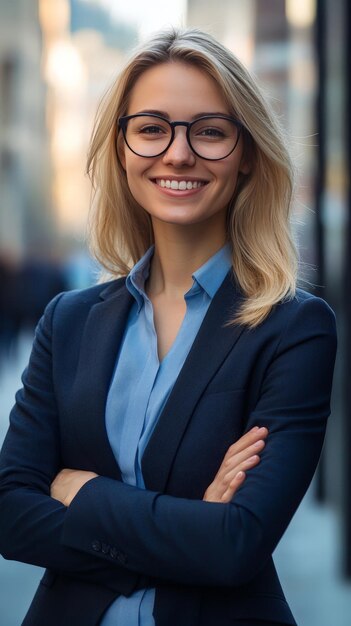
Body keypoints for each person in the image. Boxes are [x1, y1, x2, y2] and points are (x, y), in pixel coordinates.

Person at [0, 28, 337, 626]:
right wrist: (186, 532)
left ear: (248, 153)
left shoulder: (295, 329)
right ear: (122, 149)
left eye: (209, 131)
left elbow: (236, 544)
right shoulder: (68, 320)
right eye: (152, 128)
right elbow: (10, 512)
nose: (178, 154)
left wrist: (83, 494)